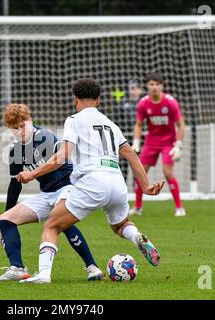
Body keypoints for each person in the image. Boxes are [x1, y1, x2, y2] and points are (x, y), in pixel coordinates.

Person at [17, 78, 165, 283]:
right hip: (116, 181)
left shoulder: (74, 120)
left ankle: (43, 275)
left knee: (52, 225)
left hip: (92, 181)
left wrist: (32, 174)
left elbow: (63, 155)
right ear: (98, 100)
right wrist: (146, 185)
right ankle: (136, 236)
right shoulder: (111, 124)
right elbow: (130, 153)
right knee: (120, 224)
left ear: (75, 99)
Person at [0, 103, 103, 282]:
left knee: (60, 220)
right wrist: (8, 212)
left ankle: (92, 267)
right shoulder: (15, 151)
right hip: (47, 193)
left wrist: (32, 174)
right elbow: (15, 186)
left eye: (22, 126)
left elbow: (57, 162)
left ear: (30, 120)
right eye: (15, 129)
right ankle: (17, 268)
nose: (20, 132)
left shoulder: (45, 136)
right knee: (5, 220)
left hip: (68, 186)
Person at [129, 72, 186, 217]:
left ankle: (179, 207)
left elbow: (181, 124)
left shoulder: (170, 102)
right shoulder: (143, 103)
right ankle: (138, 207)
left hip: (169, 142)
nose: (154, 87)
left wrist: (178, 145)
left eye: (157, 84)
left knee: (167, 172)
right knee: (140, 172)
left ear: (162, 86)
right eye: (151, 84)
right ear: (147, 86)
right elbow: (139, 125)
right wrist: (136, 142)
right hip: (151, 142)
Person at [112, 79, 145, 183]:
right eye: (132, 88)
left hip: (140, 138)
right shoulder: (122, 104)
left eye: (136, 88)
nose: (134, 91)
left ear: (140, 90)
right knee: (123, 166)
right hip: (125, 139)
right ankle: (123, 187)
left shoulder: (144, 103)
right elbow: (117, 121)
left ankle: (138, 188)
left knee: (138, 165)